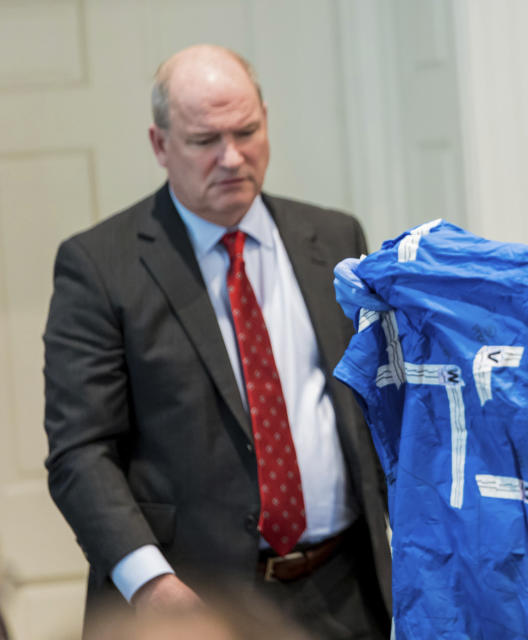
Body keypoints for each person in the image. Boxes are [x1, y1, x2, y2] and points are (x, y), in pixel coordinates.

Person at [43, 44, 390, 639]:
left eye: (247, 131)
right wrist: (149, 582)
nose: (232, 158)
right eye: (205, 141)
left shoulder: (334, 236)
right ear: (160, 145)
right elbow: (80, 451)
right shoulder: (101, 266)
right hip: (197, 603)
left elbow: (375, 399)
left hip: (344, 587)